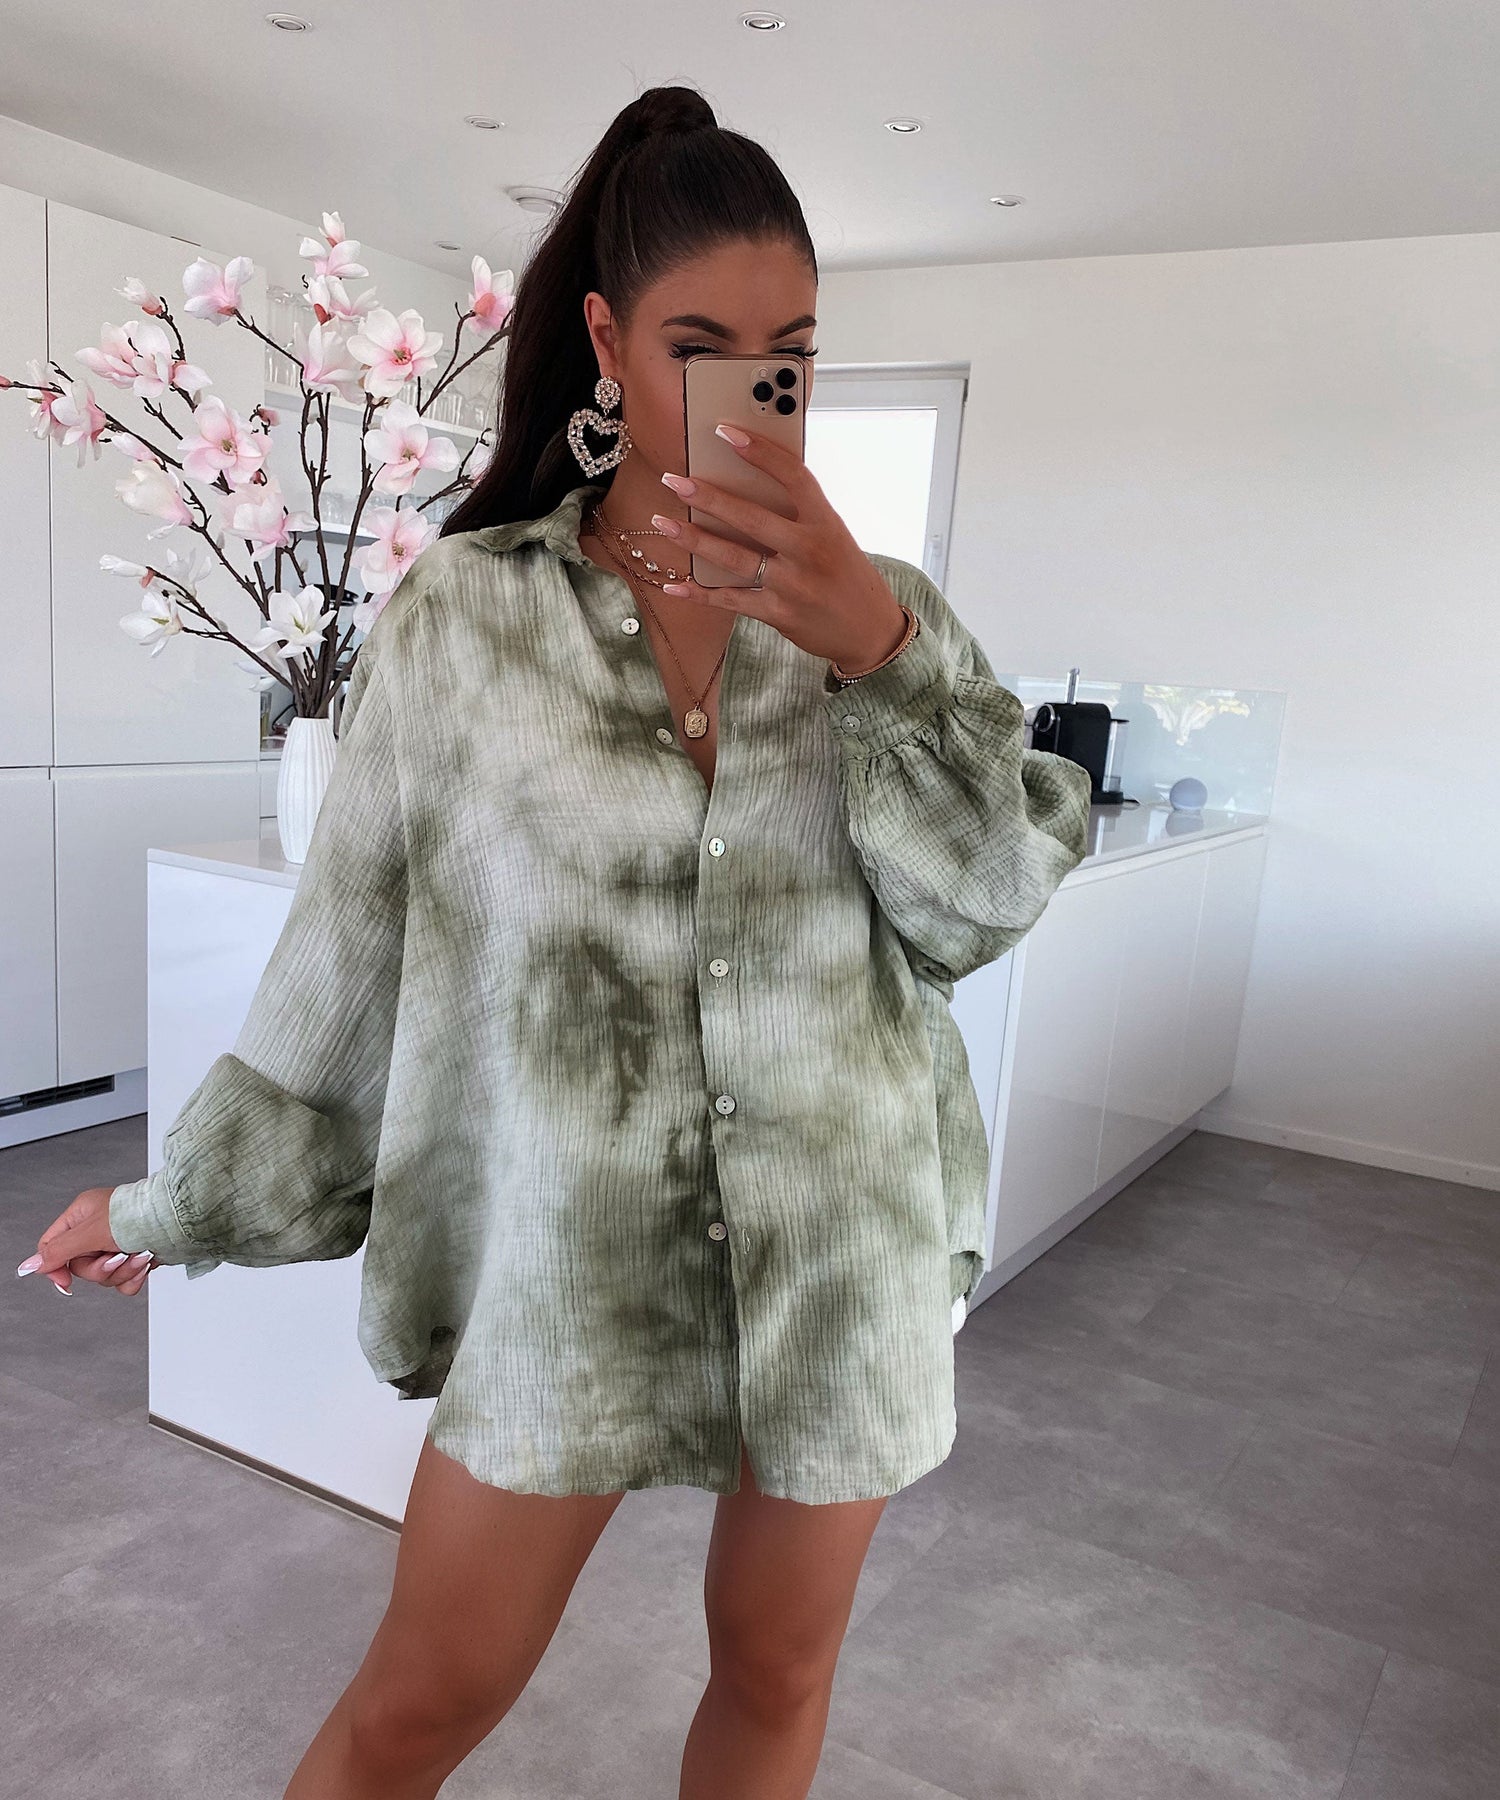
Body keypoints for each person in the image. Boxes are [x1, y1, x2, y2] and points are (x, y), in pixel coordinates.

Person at [18, 83, 1091, 1800]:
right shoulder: (467, 617)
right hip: (566, 1270)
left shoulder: (889, 614)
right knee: (419, 1701)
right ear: (603, 341)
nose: (756, 394)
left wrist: (876, 652)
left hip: (842, 1250)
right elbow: (348, 962)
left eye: (792, 355)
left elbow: (985, 904)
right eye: (700, 348)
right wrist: (171, 1203)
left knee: (780, 1674)